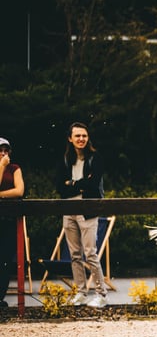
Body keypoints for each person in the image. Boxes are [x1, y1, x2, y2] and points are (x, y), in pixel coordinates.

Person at [55, 122, 108, 308]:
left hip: (88, 210)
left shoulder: (95, 158)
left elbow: (93, 186)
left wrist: (72, 183)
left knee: (90, 253)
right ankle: (81, 292)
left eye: (84, 136)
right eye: (77, 136)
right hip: (68, 209)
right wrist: (79, 183)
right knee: (74, 254)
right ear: (70, 138)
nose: (81, 139)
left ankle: (101, 294)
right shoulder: (65, 159)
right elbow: (60, 188)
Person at [0, 137, 25, 308]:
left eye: (6, 150)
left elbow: (19, 190)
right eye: (0, 150)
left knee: (5, 259)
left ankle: (0, 296)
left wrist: (1, 195)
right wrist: (1, 166)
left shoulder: (14, 168)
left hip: (7, 219)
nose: (3, 154)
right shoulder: (4, 167)